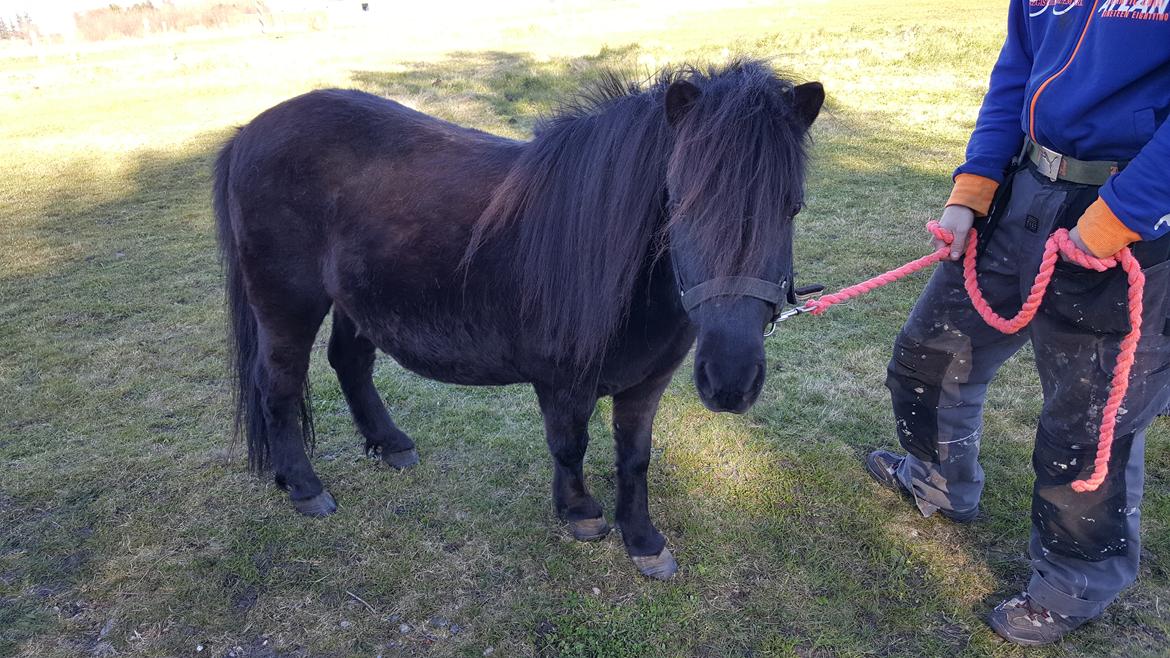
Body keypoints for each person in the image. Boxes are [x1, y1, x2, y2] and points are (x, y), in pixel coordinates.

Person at [864, 0, 1170, 646]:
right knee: (930, 352)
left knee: (1087, 423)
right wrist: (972, 190)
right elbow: (1017, 70)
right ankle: (938, 481)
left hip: (1137, 214)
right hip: (1026, 192)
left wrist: (1122, 215)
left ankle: (1073, 583)